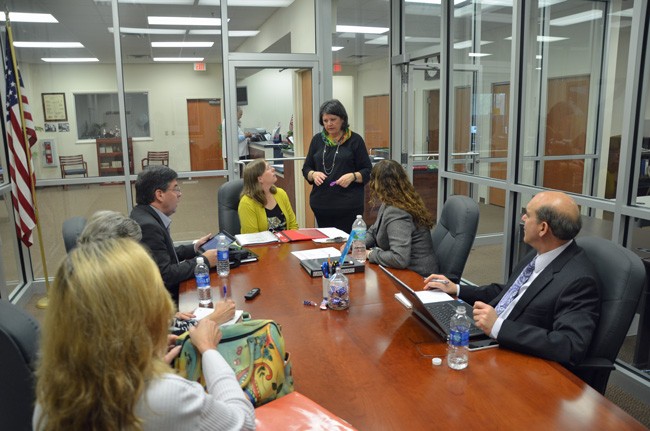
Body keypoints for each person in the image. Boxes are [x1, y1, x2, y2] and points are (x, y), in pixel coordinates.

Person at [33, 239, 255, 431]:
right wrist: (209, 350)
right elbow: (243, 422)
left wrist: (144, 361)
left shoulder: (48, 399)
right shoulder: (166, 396)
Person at [424, 191, 601, 366]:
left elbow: (569, 345)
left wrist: (498, 327)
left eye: (528, 215)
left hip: (514, 357)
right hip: (487, 337)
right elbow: (509, 292)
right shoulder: (541, 252)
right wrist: (457, 289)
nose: (523, 218)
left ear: (543, 228)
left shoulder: (579, 281)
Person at [81, 209, 235, 328]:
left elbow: (146, 327)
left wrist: (170, 320)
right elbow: (145, 343)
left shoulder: (91, 276)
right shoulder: (112, 290)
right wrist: (212, 319)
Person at [131, 165, 216, 304]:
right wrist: (205, 261)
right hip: (163, 304)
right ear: (159, 195)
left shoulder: (144, 214)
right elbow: (166, 275)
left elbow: (162, 254)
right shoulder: (148, 226)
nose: (179, 194)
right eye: (175, 188)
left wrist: (194, 247)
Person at [302, 99, 372, 232]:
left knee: (347, 246)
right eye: (325, 120)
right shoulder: (317, 140)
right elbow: (306, 168)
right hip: (321, 205)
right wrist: (313, 174)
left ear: (342, 119)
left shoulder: (355, 140)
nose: (329, 124)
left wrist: (353, 176)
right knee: (327, 245)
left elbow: (368, 171)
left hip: (348, 206)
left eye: (333, 119)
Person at [364, 160, 438, 277]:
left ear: (378, 184)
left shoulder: (397, 211)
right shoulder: (393, 200)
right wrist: (358, 244)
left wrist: (369, 254)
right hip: (405, 271)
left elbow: (399, 258)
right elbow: (374, 230)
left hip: (417, 276)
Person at [238, 158, 298, 234]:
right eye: (268, 168)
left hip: (286, 243)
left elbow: (293, 225)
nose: (273, 169)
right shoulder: (247, 203)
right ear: (260, 179)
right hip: (261, 245)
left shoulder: (280, 193)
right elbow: (252, 237)